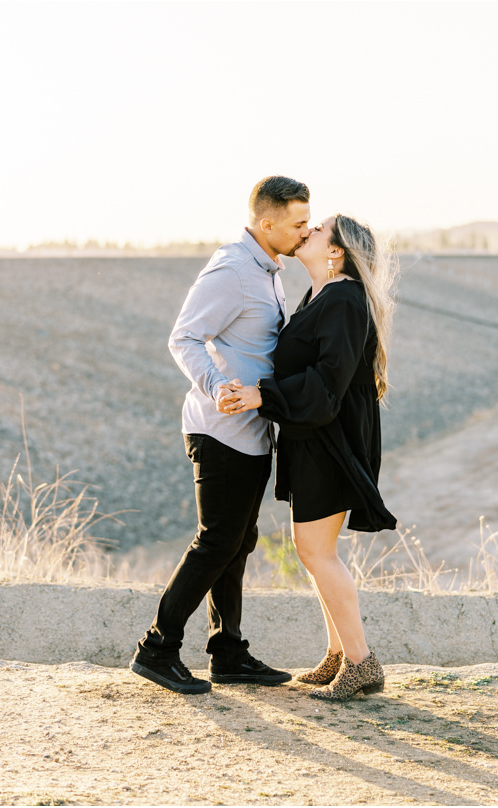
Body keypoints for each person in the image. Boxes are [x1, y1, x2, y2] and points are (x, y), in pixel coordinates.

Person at [130, 176, 311, 695]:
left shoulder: (270, 269)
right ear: (266, 222)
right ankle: (157, 648)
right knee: (215, 542)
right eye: (297, 223)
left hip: (253, 431)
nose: (304, 231)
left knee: (239, 543)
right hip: (220, 429)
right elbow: (183, 336)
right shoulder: (233, 268)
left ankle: (227, 652)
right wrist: (215, 385)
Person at [219, 213, 398, 701]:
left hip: (329, 438)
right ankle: (339, 655)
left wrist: (263, 396)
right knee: (313, 550)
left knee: (317, 551)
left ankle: (361, 663)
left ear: (336, 251)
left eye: (317, 229)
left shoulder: (342, 297)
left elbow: (328, 383)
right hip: (313, 435)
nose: (307, 232)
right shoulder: (321, 295)